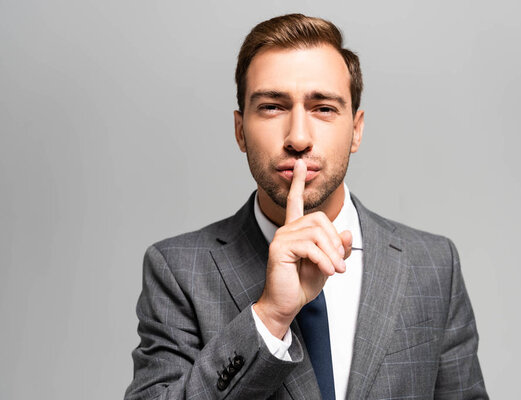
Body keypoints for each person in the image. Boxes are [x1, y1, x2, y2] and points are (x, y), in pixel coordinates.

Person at [125, 13, 488, 400]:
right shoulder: (178, 269)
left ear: (357, 129)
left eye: (324, 108)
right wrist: (269, 317)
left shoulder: (433, 264)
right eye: (272, 107)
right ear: (239, 130)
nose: (298, 138)